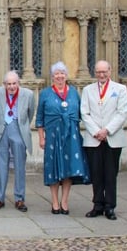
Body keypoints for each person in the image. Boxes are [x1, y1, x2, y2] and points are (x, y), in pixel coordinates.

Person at [36, 62, 89, 214]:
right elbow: (40, 118)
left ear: (66, 75)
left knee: (69, 167)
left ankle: (64, 201)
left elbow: (81, 114)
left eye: (62, 73)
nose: (59, 76)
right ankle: (54, 202)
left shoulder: (73, 93)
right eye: (56, 74)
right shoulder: (45, 93)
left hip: (71, 135)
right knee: (53, 168)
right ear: (52, 77)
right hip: (52, 136)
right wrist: (41, 137)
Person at [80, 60, 127, 220]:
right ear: (95, 72)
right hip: (93, 138)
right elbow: (84, 113)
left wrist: (107, 130)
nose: (101, 75)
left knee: (110, 173)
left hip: (112, 138)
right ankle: (97, 204)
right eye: (98, 72)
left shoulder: (120, 89)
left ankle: (110, 206)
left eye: (104, 72)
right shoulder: (88, 90)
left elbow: (122, 112)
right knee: (96, 173)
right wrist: (96, 131)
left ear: (110, 71)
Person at [0, 70, 35, 212]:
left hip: (18, 129)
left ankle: (19, 198)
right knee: (1, 165)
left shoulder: (28, 94)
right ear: (4, 84)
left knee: (19, 166)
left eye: (14, 83)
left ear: (19, 83)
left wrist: (21, 125)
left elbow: (30, 112)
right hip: (2, 130)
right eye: (8, 84)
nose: (11, 87)